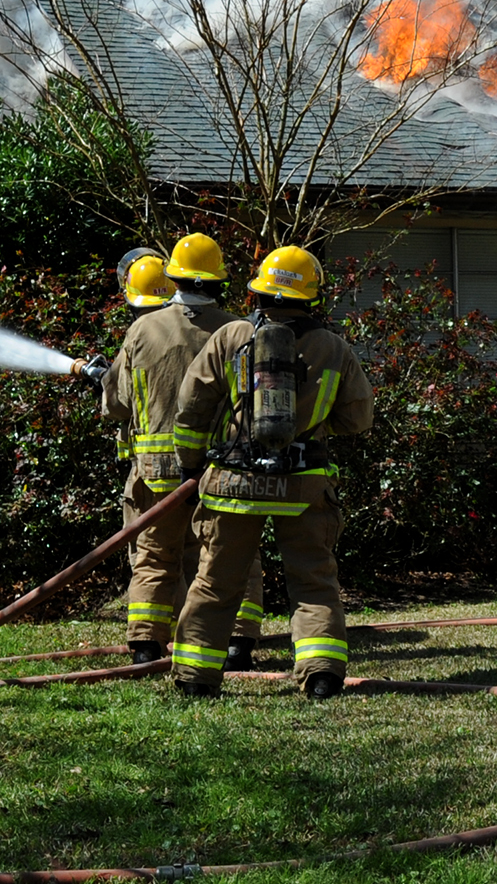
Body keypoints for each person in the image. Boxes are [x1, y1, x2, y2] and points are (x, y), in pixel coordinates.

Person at [168, 246, 373, 699]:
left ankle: (195, 677)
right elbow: (357, 420)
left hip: (234, 483)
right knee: (313, 578)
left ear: (259, 291)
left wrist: (190, 467)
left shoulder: (230, 336)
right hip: (303, 484)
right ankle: (321, 674)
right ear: (311, 297)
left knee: (216, 580)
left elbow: (191, 407)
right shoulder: (333, 349)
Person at [101, 234, 267, 668]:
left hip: (156, 471)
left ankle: (145, 646)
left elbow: (116, 404)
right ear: (219, 281)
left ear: (172, 276)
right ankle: (237, 644)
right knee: (232, 557)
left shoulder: (142, 329)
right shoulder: (240, 331)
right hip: (223, 470)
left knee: (155, 556)